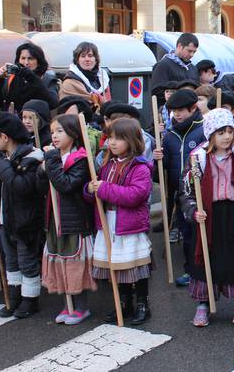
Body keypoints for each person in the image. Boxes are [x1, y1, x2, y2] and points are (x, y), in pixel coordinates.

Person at [181, 108, 234, 327]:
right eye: (221, 132)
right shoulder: (197, 158)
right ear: (210, 135)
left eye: (230, 131)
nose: (227, 137)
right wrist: (192, 210)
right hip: (208, 214)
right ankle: (203, 302)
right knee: (204, 257)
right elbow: (186, 190)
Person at [85, 118, 154, 326]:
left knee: (135, 265)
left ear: (132, 140)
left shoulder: (140, 167)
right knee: (117, 265)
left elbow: (136, 195)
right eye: (111, 137)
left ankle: (142, 303)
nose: (113, 143)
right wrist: (89, 189)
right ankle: (124, 302)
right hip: (109, 221)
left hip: (129, 223)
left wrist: (103, 188)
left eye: (119, 138)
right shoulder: (107, 164)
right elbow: (97, 189)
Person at [0, 111, 46, 319]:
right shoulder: (0, 157)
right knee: (11, 261)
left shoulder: (31, 157)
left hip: (25, 221)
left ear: (5, 137)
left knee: (27, 261)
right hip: (4, 220)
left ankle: (30, 300)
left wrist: (0, 167)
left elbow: (23, 187)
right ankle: (15, 296)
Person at [39, 114, 96, 325]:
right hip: (54, 220)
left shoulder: (81, 159)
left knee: (74, 263)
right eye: (52, 131)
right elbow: (41, 187)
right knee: (59, 262)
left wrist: (51, 161)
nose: (54, 136)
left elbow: (65, 185)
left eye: (60, 131)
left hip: (74, 221)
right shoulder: (54, 158)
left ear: (73, 133)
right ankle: (67, 305)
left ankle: (81, 307)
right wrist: (41, 170)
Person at [156, 89, 205, 286]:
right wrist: (158, 161)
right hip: (182, 194)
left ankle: (206, 270)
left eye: (180, 110)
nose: (176, 114)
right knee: (188, 235)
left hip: (203, 192)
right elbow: (163, 170)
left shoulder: (205, 129)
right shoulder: (169, 136)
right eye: (173, 111)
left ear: (193, 108)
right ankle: (191, 270)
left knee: (203, 234)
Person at [0, 43, 58, 112]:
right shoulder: (11, 78)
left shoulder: (47, 79)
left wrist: (32, 78)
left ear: (38, 61)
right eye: (23, 58)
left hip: (37, 123)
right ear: (18, 60)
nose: (26, 62)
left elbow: (52, 103)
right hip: (13, 122)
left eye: (30, 59)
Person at [58, 42, 111, 109]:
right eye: (83, 56)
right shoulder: (69, 83)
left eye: (90, 56)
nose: (87, 59)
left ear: (96, 59)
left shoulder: (103, 79)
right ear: (77, 60)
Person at [151, 33, 200, 97]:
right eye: (189, 51)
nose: (192, 55)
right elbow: (156, 91)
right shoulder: (163, 65)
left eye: (194, 52)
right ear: (179, 46)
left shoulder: (193, 68)